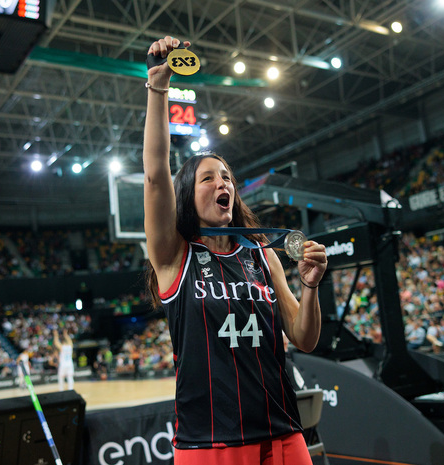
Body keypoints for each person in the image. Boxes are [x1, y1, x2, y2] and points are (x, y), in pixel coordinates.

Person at [143, 35, 327, 464]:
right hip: (211, 444)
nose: (222, 183)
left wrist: (311, 288)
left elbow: (304, 337)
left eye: (226, 177)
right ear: (187, 194)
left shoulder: (263, 255)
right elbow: (155, 175)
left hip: (283, 434)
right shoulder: (174, 255)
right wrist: (159, 86)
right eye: (208, 178)